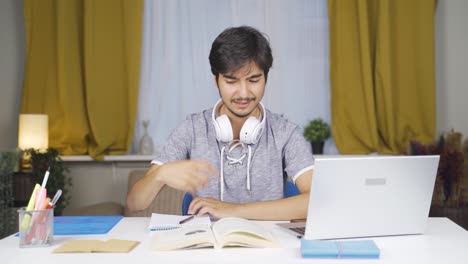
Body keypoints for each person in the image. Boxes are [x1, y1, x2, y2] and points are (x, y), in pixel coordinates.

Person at [127, 26, 314, 220]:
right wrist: (160, 174)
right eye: (231, 81)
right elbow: (135, 203)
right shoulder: (192, 129)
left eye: (253, 80)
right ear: (216, 80)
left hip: (267, 246)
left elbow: (315, 201)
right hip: (208, 246)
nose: (243, 93)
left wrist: (232, 210)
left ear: (266, 78)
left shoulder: (285, 132)